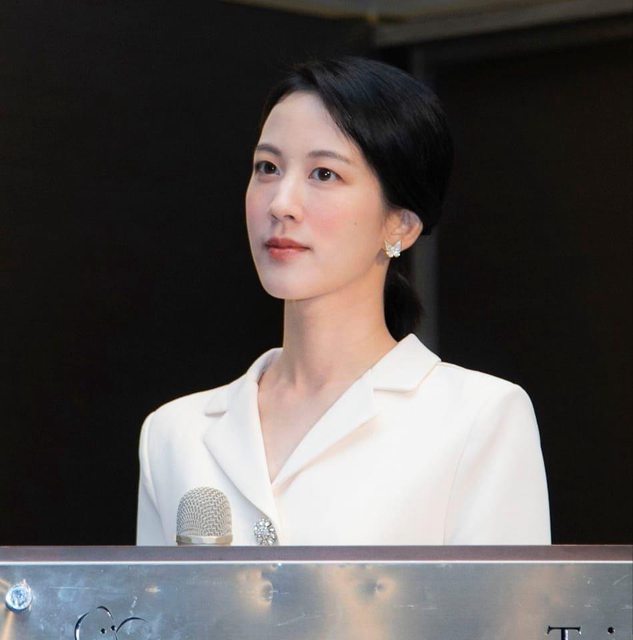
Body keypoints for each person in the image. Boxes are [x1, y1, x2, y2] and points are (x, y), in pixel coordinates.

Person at [136, 57, 550, 546]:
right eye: (268, 168)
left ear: (400, 224)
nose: (281, 203)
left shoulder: (478, 418)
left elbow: (509, 600)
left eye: (324, 174)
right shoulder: (174, 433)